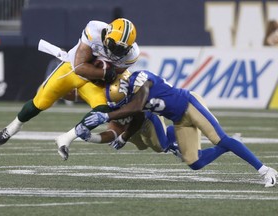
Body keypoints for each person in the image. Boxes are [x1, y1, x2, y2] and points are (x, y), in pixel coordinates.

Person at [84, 70, 278, 187]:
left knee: (218, 138)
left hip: (190, 105)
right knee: (195, 163)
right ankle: (234, 144)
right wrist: (124, 137)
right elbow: (137, 115)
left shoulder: (141, 78)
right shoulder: (131, 98)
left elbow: (136, 106)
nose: (123, 103)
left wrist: (106, 116)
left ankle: (266, 170)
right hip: (179, 119)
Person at [0, 18, 140, 145]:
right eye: (113, 45)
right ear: (107, 32)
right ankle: (14, 127)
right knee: (40, 102)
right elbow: (79, 67)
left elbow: (113, 78)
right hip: (70, 69)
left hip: (93, 82)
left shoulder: (132, 55)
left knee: (102, 109)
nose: (114, 51)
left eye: (120, 50)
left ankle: (67, 138)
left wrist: (107, 76)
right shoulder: (94, 30)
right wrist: (104, 72)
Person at [55, 70, 182, 160]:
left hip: (146, 118)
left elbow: (138, 118)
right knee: (142, 146)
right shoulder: (106, 96)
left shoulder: (136, 93)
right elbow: (113, 133)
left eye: (121, 103)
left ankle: (175, 134)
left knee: (160, 146)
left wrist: (124, 137)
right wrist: (90, 137)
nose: (118, 107)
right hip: (131, 125)